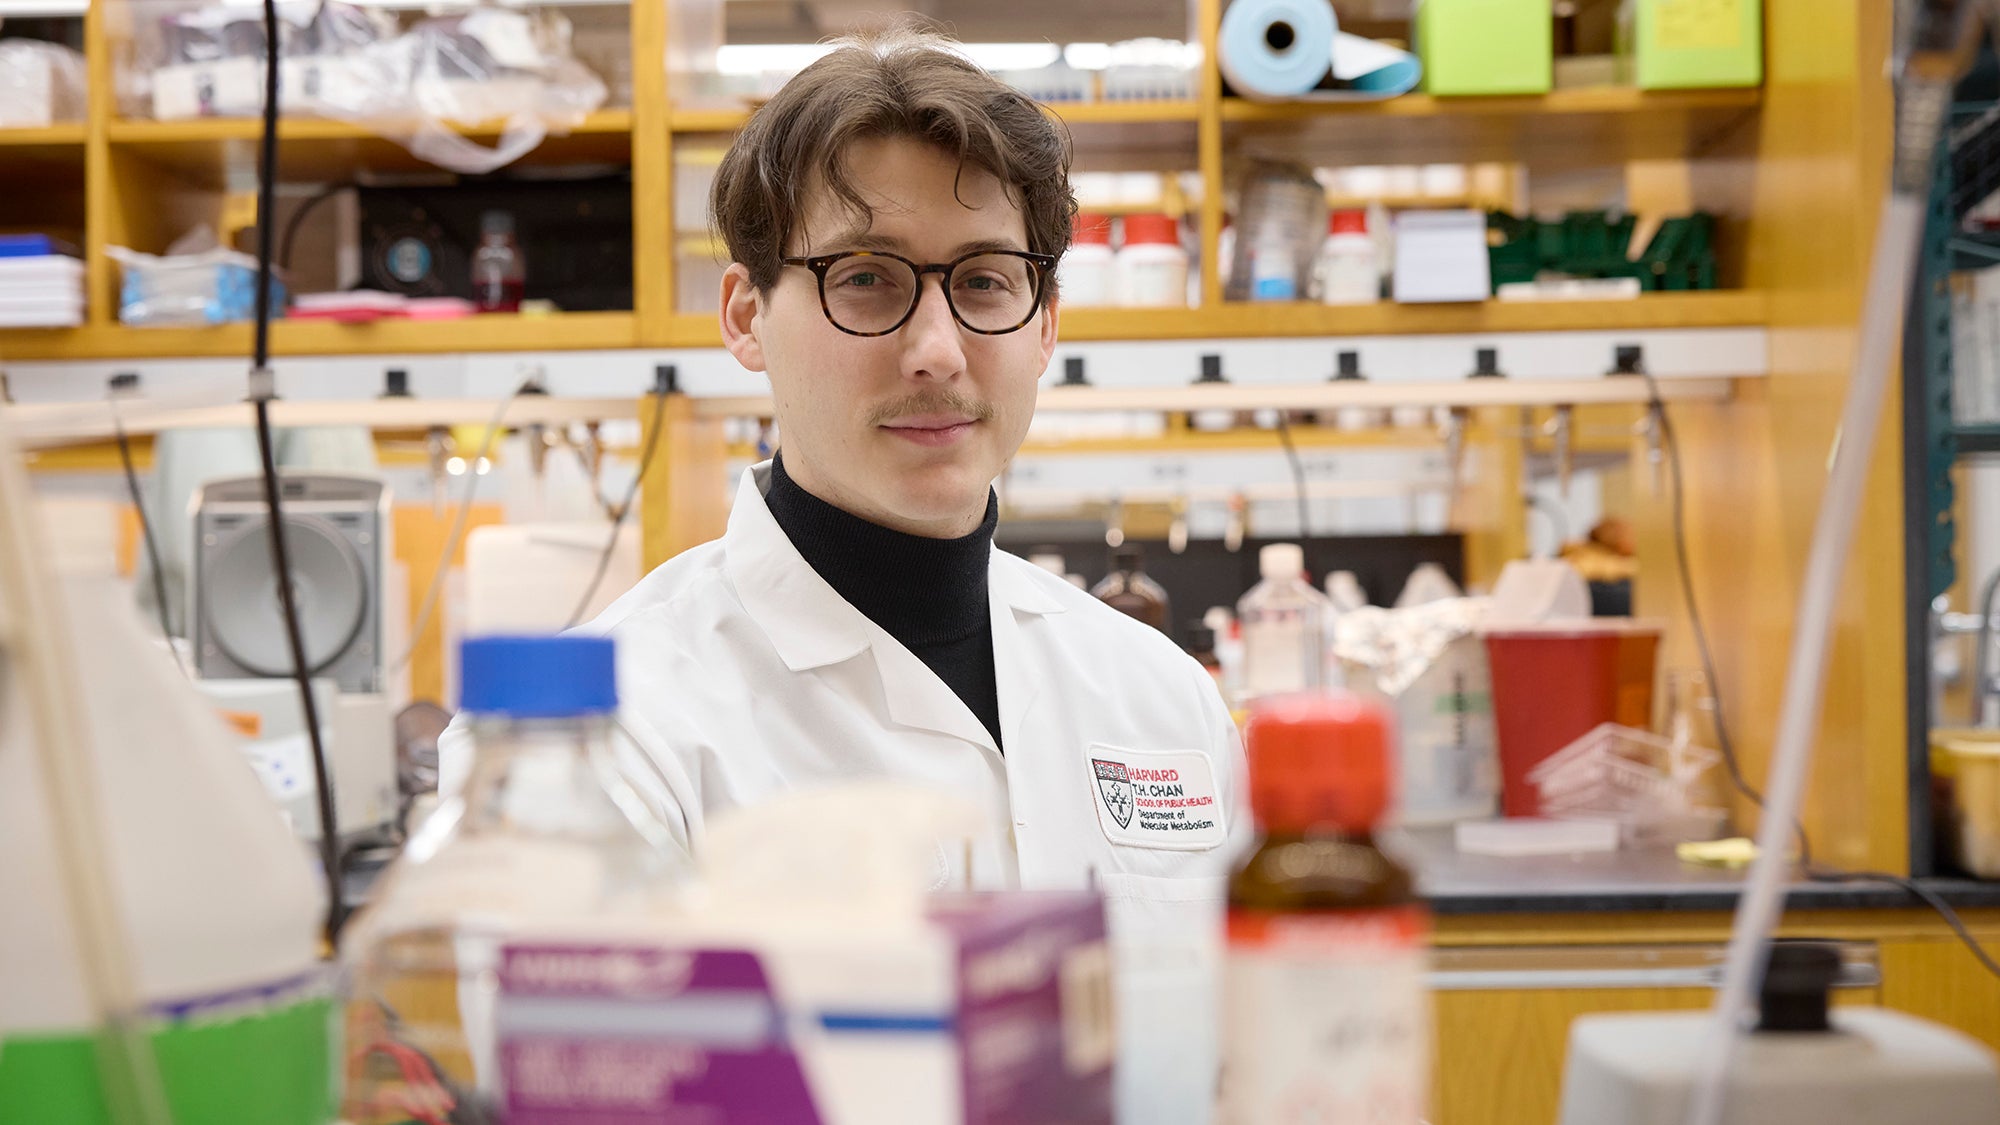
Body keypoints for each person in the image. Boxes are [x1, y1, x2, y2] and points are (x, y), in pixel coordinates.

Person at [458, 27, 1247, 1123]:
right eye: (866, 279)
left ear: (1045, 321)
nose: (935, 347)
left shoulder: (1160, 697)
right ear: (745, 316)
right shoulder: (602, 742)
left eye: (983, 281)